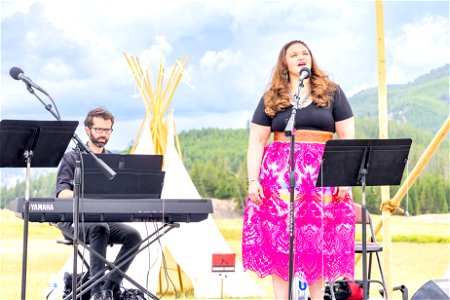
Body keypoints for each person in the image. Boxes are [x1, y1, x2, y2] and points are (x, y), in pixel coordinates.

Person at [242, 40, 356, 300]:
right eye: (294, 54)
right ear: (285, 63)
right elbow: (257, 141)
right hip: (279, 182)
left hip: (323, 178)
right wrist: (253, 180)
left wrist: (344, 177)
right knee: (281, 246)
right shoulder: (273, 96)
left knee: (316, 245)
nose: (301, 57)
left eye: (305, 53)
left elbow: (347, 135)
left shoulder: (331, 92)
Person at [56, 107, 142, 300]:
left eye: (107, 130)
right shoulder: (72, 158)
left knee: (134, 236)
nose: (103, 134)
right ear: (88, 130)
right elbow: (62, 194)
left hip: (102, 219)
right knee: (100, 228)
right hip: (72, 220)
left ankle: (109, 288)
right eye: (99, 129)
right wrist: (85, 195)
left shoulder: (112, 160)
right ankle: (96, 294)